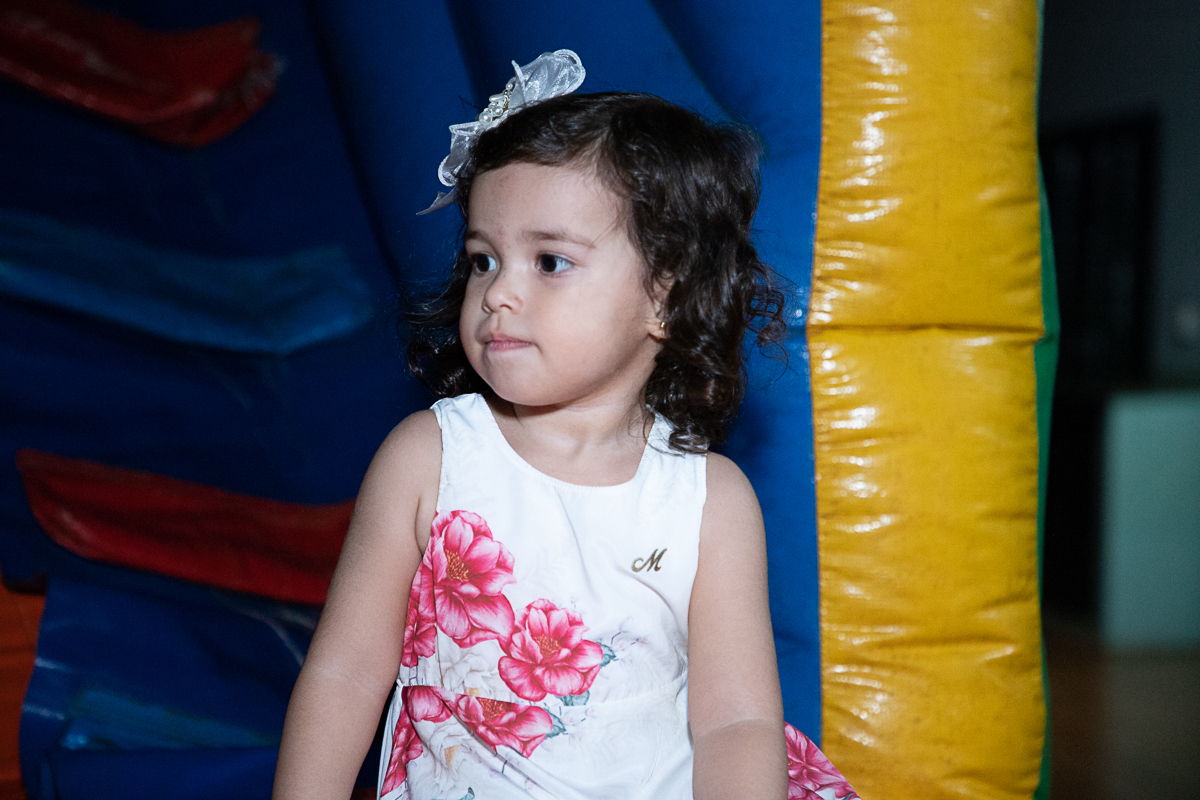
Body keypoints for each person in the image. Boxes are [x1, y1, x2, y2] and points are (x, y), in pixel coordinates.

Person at [274, 50, 858, 800]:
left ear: (666, 298)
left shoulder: (708, 501)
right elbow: (347, 671)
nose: (498, 294)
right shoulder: (432, 458)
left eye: (549, 262)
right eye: (483, 260)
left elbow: (735, 722)